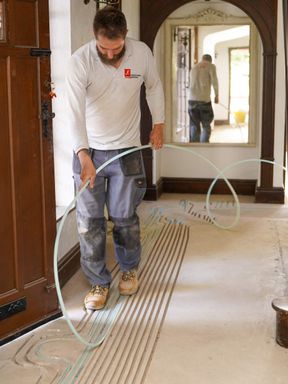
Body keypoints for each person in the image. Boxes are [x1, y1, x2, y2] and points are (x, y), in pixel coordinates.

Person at [65, 6, 165, 310]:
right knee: (89, 222)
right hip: (90, 151)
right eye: (104, 48)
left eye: (117, 47)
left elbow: (154, 86)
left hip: (127, 151)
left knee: (124, 218)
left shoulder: (141, 53)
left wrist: (158, 124)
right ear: (95, 38)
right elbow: (73, 111)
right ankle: (98, 281)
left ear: (125, 37)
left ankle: (129, 268)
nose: (110, 54)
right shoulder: (80, 61)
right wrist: (83, 155)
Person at [188, 54, 219, 143]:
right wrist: (217, 95)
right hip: (204, 101)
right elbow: (214, 81)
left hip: (191, 101)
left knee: (194, 125)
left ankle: (194, 148)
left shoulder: (194, 67)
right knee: (206, 125)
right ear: (210, 60)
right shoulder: (211, 66)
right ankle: (204, 146)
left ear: (202, 59)